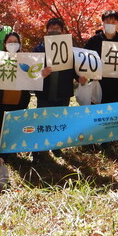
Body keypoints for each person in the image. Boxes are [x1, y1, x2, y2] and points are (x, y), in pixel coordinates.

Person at [32, 18, 85, 161]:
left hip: (63, 92)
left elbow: (75, 68)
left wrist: (79, 77)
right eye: (51, 27)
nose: (54, 29)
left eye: (58, 27)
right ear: (47, 30)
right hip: (44, 92)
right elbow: (32, 71)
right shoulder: (38, 48)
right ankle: (38, 150)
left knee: (60, 121)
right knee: (42, 121)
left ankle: (56, 147)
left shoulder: (70, 49)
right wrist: (40, 73)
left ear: (62, 31)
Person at [84, 10, 118, 103]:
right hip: (97, 84)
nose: (110, 24)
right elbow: (84, 60)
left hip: (114, 86)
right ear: (103, 23)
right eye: (107, 22)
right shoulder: (94, 41)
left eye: (113, 22)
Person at [0, 32, 31, 134]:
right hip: (0, 102)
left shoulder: (26, 59)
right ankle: (1, 149)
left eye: (15, 42)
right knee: (1, 130)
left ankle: (14, 150)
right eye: (10, 42)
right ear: (5, 44)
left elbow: (33, 76)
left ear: (19, 44)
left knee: (16, 130)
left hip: (19, 102)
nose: (13, 44)